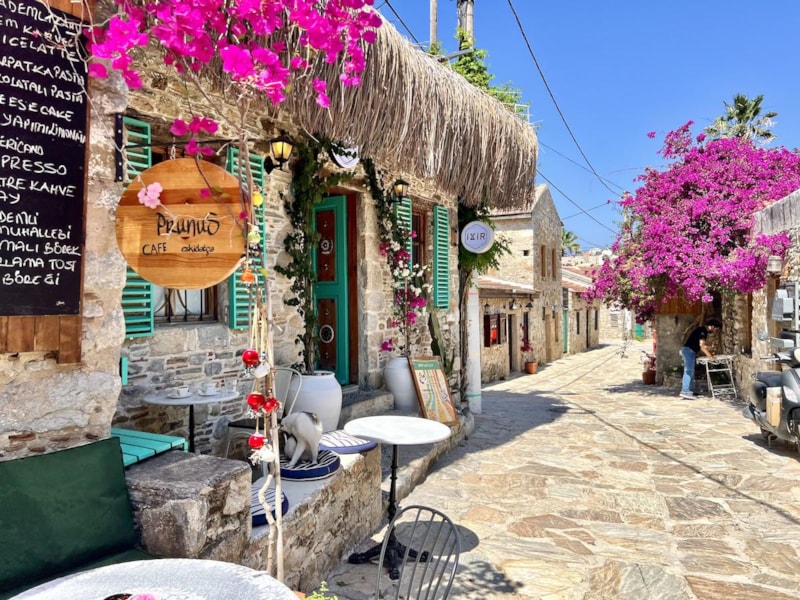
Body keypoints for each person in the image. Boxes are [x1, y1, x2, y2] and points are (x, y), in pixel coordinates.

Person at [680, 318, 722, 399]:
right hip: (689, 351)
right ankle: (685, 391)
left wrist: (709, 350)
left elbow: (702, 345)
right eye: (715, 329)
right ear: (711, 326)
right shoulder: (703, 331)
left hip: (690, 351)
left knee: (691, 371)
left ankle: (690, 390)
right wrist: (710, 356)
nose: (714, 332)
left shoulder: (701, 330)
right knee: (688, 371)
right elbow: (702, 345)